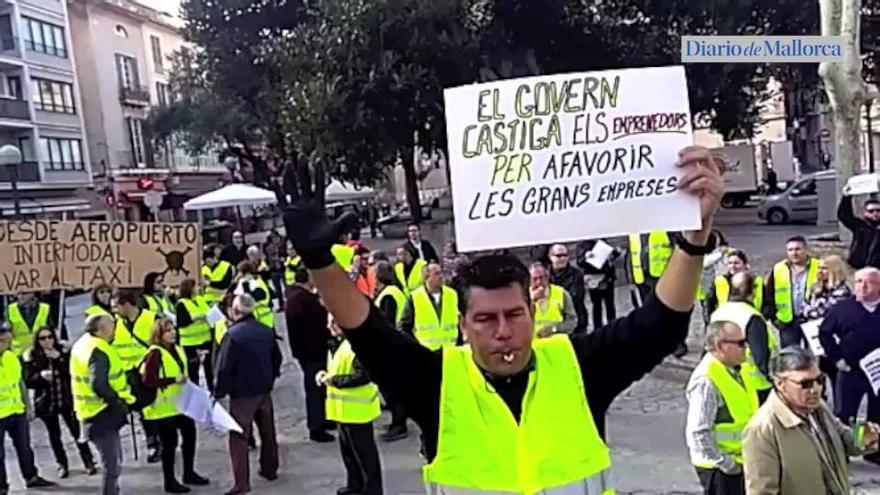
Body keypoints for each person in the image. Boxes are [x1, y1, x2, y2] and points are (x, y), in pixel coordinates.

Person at [284, 144, 722, 493]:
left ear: (532, 312)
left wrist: (695, 234)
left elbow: (661, 325)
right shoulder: (437, 384)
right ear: (462, 324)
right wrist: (319, 261)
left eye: (514, 314)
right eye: (485, 319)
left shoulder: (577, 367)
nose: (502, 332)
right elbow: (368, 334)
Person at [743, 347, 880, 495]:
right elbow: (762, 491)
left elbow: (844, 439)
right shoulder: (762, 429)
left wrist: (864, 436)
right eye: (805, 384)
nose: (815, 389)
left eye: (819, 380)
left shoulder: (817, 407)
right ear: (780, 384)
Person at [214, 294, 282, 495]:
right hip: (263, 389)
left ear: (234, 312)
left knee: (238, 436)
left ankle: (241, 482)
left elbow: (223, 367)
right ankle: (270, 469)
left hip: (242, 393)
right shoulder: (266, 331)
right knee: (268, 431)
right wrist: (270, 378)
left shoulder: (232, 335)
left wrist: (219, 391)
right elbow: (277, 359)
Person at [685, 320, 757, 495]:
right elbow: (698, 433)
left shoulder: (738, 368)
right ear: (720, 346)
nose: (746, 347)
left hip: (741, 460)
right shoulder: (706, 381)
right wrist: (727, 465)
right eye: (740, 343)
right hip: (719, 469)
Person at [818, 267, 880, 464]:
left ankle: (871, 449)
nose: (862, 286)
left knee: (876, 414)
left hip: (877, 372)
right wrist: (837, 359)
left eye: (867, 282)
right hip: (850, 370)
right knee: (845, 413)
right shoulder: (842, 309)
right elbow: (824, 333)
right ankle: (843, 450)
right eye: (858, 282)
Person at [140, 319, 210, 493]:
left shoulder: (176, 349)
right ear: (159, 335)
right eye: (167, 331)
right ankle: (170, 481)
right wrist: (172, 380)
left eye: (173, 330)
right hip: (164, 409)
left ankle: (189, 472)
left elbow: (180, 369)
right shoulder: (154, 354)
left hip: (181, 404)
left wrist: (195, 361)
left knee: (190, 436)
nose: (173, 333)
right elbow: (148, 380)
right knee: (169, 446)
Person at [71, 313, 136, 495]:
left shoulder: (82, 344)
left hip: (90, 412)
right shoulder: (98, 349)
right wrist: (117, 401)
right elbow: (98, 383)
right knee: (112, 466)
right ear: (102, 329)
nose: (115, 328)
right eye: (112, 325)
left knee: (113, 461)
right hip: (101, 414)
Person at [319, 319, 383, 495]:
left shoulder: (359, 345)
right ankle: (355, 484)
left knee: (366, 457)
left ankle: (372, 490)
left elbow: (363, 375)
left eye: (333, 323)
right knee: (349, 453)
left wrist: (334, 381)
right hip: (342, 410)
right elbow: (339, 368)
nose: (328, 327)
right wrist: (326, 375)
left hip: (358, 412)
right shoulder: (337, 343)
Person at [23, 327, 96, 478]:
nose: (47, 341)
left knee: (77, 431)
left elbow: (73, 371)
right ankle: (62, 464)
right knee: (54, 436)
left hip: (66, 399)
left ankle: (88, 461)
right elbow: (28, 379)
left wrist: (59, 358)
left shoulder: (63, 351)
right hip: (47, 402)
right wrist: (41, 376)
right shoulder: (33, 356)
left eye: (50, 337)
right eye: (43, 338)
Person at [0, 324, 56, 494]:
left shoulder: (10, 357)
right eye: (4, 341)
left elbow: (20, 384)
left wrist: (28, 407)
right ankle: (1, 486)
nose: (8, 344)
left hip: (17, 411)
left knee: (25, 447)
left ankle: (31, 477)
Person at [711, 272, 778, 404]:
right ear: (752, 292)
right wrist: (774, 377)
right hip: (756, 384)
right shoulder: (751, 316)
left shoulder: (718, 313)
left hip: (727, 379)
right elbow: (760, 354)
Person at [284, 268, 334, 443]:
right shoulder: (304, 300)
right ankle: (316, 426)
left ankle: (324, 418)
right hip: (313, 350)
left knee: (319, 388)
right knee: (316, 388)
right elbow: (320, 319)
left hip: (305, 350)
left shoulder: (294, 297)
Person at [112, 290, 161, 462]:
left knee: (156, 408)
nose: (114, 311)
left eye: (116, 306)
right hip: (129, 374)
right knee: (142, 409)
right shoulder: (114, 324)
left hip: (151, 371)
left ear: (127, 305)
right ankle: (152, 442)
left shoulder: (152, 318)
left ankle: (160, 438)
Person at [800, 254, 851, 395]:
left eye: (825, 268)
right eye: (819, 268)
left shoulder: (842, 291)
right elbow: (804, 308)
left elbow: (828, 312)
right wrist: (812, 310)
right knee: (817, 378)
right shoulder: (815, 288)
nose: (820, 271)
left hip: (833, 340)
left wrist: (812, 310)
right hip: (813, 338)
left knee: (836, 378)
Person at [371, 261, 409, 442]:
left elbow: (386, 323)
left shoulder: (388, 295)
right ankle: (397, 420)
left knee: (392, 389)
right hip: (397, 345)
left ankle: (399, 424)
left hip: (391, 348)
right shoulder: (392, 292)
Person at [763, 236, 819, 348]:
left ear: (806, 250)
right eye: (790, 250)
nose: (794, 253)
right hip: (788, 321)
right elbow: (769, 294)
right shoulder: (779, 268)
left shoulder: (819, 266)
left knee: (815, 355)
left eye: (798, 249)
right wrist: (774, 318)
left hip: (813, 320)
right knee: (790, 356)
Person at [398, 262, 460, 350]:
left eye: (441, 272)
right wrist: (415, 346)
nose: (441, 276)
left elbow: (461, 322)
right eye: (436, 274)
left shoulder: (452, 294)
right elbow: (403, 326)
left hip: (451, 352)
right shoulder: (415, 297)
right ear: (426, 277)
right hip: (426, 354)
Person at [576, 239, 622, 330]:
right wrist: (586, 256)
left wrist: (616, 252)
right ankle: (598, 328)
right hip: (593, 279)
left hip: (607, 277)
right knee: (596, 305)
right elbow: (580, 262)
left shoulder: (603, 241)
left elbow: (613, 254)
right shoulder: (583, 245)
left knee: (610, 304)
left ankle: (613, 327)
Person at [175, 279, 213, 390]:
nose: (198, 288)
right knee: (193, 369)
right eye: (196, 286)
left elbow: (208, 312)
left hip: (205, 339)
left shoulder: (200, 299)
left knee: (208, 367)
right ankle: (194, 391)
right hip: (190, 342)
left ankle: (211, 389)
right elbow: (181, 322)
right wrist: (196, 317)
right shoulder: (181, 304)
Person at [705, 250, 762, 317]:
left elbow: (766, 303)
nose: (732, 266)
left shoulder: (757, 280)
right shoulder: (719, 281)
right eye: (730, 263)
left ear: (745, 264)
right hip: (725, 320)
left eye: (736, 263)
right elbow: (709, 305)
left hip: (751, 318)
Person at [547, 243, 588, 334]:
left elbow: (576, 297)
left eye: (565, 255)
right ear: (550, 257)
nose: (563, 259)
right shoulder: (545, 276)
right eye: (559, 256)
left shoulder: (576, 274)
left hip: (576, 322)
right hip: (553, 323)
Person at [529, 262, 578, 337]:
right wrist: (532, 300)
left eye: (541, 278)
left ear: (547, 277)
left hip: (557, 342)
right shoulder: (523, 295)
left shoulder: (561, 293)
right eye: (534, 279)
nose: (539, 282)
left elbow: (572, 321)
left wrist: (554, 329)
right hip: (533, 342)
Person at [837, 191, 880, 269]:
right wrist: (847, 196)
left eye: (878, 211)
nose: (875, 213)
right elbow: (844, 215)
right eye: (871, 211)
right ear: (864, 213)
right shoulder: (860, 226)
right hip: (857, 267)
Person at [232, 261, 275, 329]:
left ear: (246, 273)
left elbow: (249, 298)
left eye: (239, 272)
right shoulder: (252, 281)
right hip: (260, 318)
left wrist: (245, 285)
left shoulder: (254, 283)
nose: (238, 275)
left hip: (262, 318)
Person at [8, 292, 53, 356]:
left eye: (24, 294)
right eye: (18, 294)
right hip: (17, 354)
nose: (20, 297)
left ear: (32, 293)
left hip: (40, 354)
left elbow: (52, 331)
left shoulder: (45, 308)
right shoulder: (9, 310)